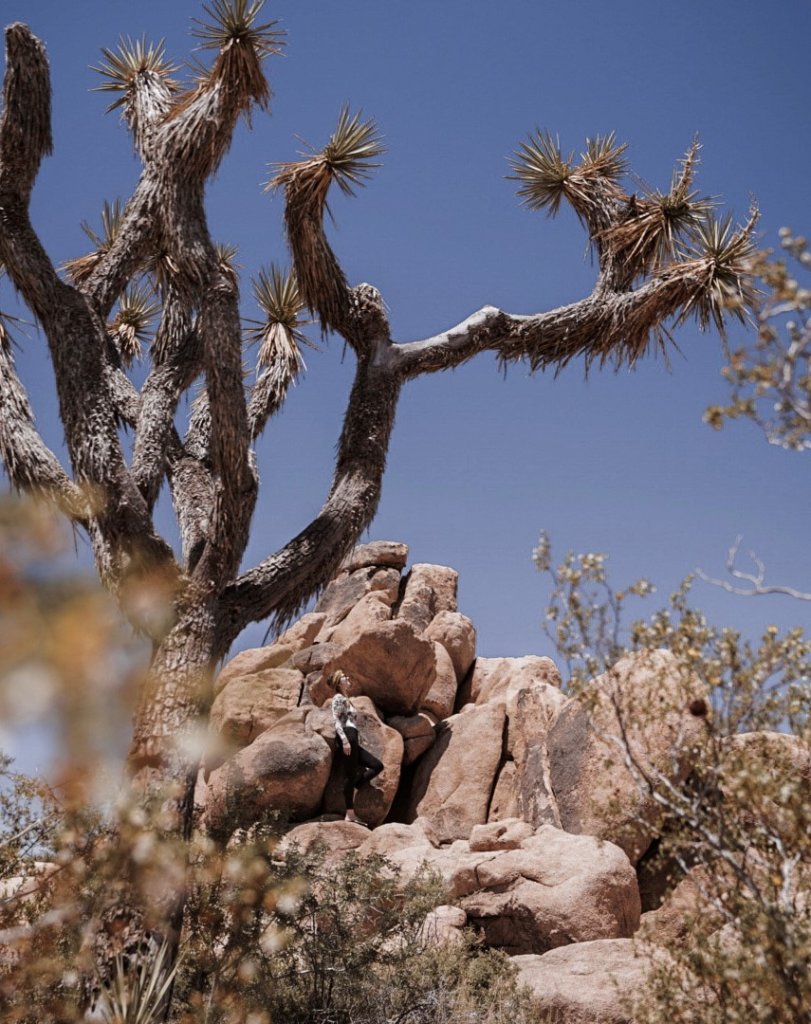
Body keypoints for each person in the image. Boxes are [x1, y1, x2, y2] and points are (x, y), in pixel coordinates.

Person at [329, 670, 384, 824]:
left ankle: (355, 786)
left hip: (353, 737)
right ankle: (350, 814)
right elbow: (336, 720)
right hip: (347, 736)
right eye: (344, 677)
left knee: (377, 765)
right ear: (339, 682)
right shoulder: (338, 698)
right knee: (349, 776)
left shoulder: (347, 699)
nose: (347, 678)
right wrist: (345, 740)